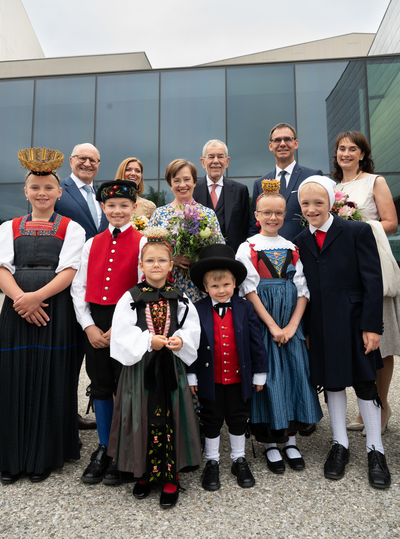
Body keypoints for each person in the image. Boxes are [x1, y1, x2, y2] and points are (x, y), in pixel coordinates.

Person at [296, 175, 391, 489]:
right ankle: (340, 445)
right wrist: (308, 329)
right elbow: (304, 290)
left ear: (330, 203)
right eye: (305, 204)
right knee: (332, 384)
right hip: (322, 324)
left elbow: (372, 281)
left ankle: (375, 451)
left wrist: (371, 326)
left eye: (318, 203)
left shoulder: (356, 231)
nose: (312, 209)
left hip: (354, 321)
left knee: (365, 383)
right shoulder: (300, 242)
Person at [0, 148, 85, 484]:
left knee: (52, 377)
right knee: (12, 377)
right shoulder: (9, 227)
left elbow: (69, 271)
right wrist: (21, 298)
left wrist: (36, 297)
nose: (42, 193)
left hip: (54, 308)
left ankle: (45, 457)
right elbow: (3, 268)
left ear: (59, 191)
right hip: (17, 308)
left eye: (49, 187)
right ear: (26, 191)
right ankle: (11, 457)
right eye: (35, 187)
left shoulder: (72, 228)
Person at [108, 235, 202, 509]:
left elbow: (191, 327)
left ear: (171, 265)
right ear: (141, 264)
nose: (156, 265)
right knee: (142, 415)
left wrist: (181, 341)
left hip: (171, 368)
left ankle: (171, 475)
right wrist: (149, 341)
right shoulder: (130, 297)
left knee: (171, 416)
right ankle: (144, 473)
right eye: (150, 260)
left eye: (162, 260)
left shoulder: (180, 296)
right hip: (141, 370)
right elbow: (121, 335)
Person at [236, 181, 322, 475]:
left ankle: (291, 440)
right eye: (267, 213)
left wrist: (292, 326)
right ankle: (270, 442)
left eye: (279, 213)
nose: (273, 218)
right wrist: (273, 326)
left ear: (285, 215)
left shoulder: (292, 247)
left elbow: (303, 290)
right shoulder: (247, 247)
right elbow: (249, 291)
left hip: (290, 324)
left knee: (295, 374)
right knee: (268, 377)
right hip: (264, 325)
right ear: (256, 215)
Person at [71, 180, 147, 485]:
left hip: (126, 320)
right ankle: (104, 447)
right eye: (111, 206)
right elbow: (79, 288)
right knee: (100, 385)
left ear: (133, 208)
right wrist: (88, 325)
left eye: (124, 206)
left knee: (126, 386)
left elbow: (143, 287)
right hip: (97, 321)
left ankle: (123, 450)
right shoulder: (91, 243)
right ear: (103, 208)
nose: (118, 210)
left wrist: (121, 327)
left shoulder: (143, 242)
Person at [333, 131, 400, 435]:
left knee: (380, 341)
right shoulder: (333, 188)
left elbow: (390, 222)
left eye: (352, 149)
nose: (346, 153)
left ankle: (382, 406)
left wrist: (357, 226)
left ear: (362, 154)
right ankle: (365, 406)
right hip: (346, 272)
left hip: (372, 267)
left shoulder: (376, 182)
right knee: (357, 341)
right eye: (341, 148)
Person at [188, 244, 269, 491]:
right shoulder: (196, 309)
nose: (221, 290)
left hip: (239, 377)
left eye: (226, 285)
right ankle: (212, 462)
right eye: (214, 286)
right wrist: (191, 375)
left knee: (238, 417)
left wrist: (260, 373)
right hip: (208, 378)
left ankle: (238, 459)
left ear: (235, 283)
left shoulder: (245, 307)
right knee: (211, 419)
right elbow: (191, 345)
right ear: (205, 287)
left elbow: (257, 342)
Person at [55, 142, 108, 431]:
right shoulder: (59, 190)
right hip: (66, 281)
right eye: (83, 158)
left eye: (94, 160)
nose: (88, 164)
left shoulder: (101, 196)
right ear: (72, 160)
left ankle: (93, 413)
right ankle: (65, 416)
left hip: (98, 283)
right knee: (69, 353)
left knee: (94, 354)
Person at [146, 159, 225, 303]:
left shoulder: (207, 214)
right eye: (176, 180)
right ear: (170, 184)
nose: (182, 185)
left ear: (195, 182)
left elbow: (220, 248)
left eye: (187, 179)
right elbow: (146, 250)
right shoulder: (159, 214)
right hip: (167, 284)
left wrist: (198, 256)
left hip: (200, 285)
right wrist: (171, 258)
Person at [249, 123, 322, 241]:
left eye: (287, 139)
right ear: (270, 145)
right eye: (277, 140)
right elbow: (254, 224)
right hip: (268, 254)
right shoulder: (260, 183)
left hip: (304, 251)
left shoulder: (312, 176)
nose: (282, 144)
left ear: (296, 143)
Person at [193, 140, 250, 252]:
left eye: (220, 156)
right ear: (203, 162)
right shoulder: (193, 190)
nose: (216, 161)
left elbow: (246, 227)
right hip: (201, 258)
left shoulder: (240, 190)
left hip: (233, 256)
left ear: (227, 161)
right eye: (211, 157)